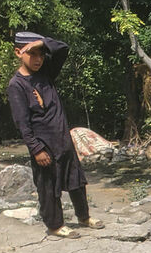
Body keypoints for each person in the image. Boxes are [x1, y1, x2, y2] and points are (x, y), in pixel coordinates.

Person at [6, 31, 103, 238]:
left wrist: (41, 42)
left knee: (77, 181)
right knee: (48, 187)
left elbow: (62, 49)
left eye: (41, 54)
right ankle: (55, 225)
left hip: (63, 139)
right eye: (32, 54)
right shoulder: (16, 85)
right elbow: (21, 123)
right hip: (44, 144)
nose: (38, 59)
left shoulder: (46, 73)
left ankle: (84, 217)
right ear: (18, 52)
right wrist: (36, 149)